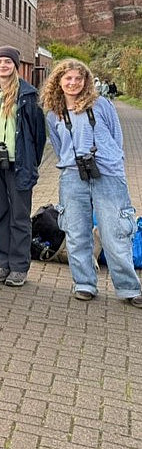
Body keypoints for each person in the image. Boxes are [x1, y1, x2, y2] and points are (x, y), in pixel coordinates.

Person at [41, 59, 141, 307]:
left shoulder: (102, 105)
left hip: (106, 174)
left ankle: (129, 287)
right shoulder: (54, 112)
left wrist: (111, 164)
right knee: (76, 232)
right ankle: (84, 283)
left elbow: (117, 137)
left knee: (114, 231)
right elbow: (58, 144)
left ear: (86, 81)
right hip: (72, 176)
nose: (73, 83)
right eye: (68, 79)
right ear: (59, 82)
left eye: (78, 78)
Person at [0, 46, 46, 287]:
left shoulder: (28, 95)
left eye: (8, 62)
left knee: (20, 217)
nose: (3, 66)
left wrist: (32, 163)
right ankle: (3, 263)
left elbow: (38, 135)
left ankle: (19, 267)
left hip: (18, 164)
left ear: (16, 66)